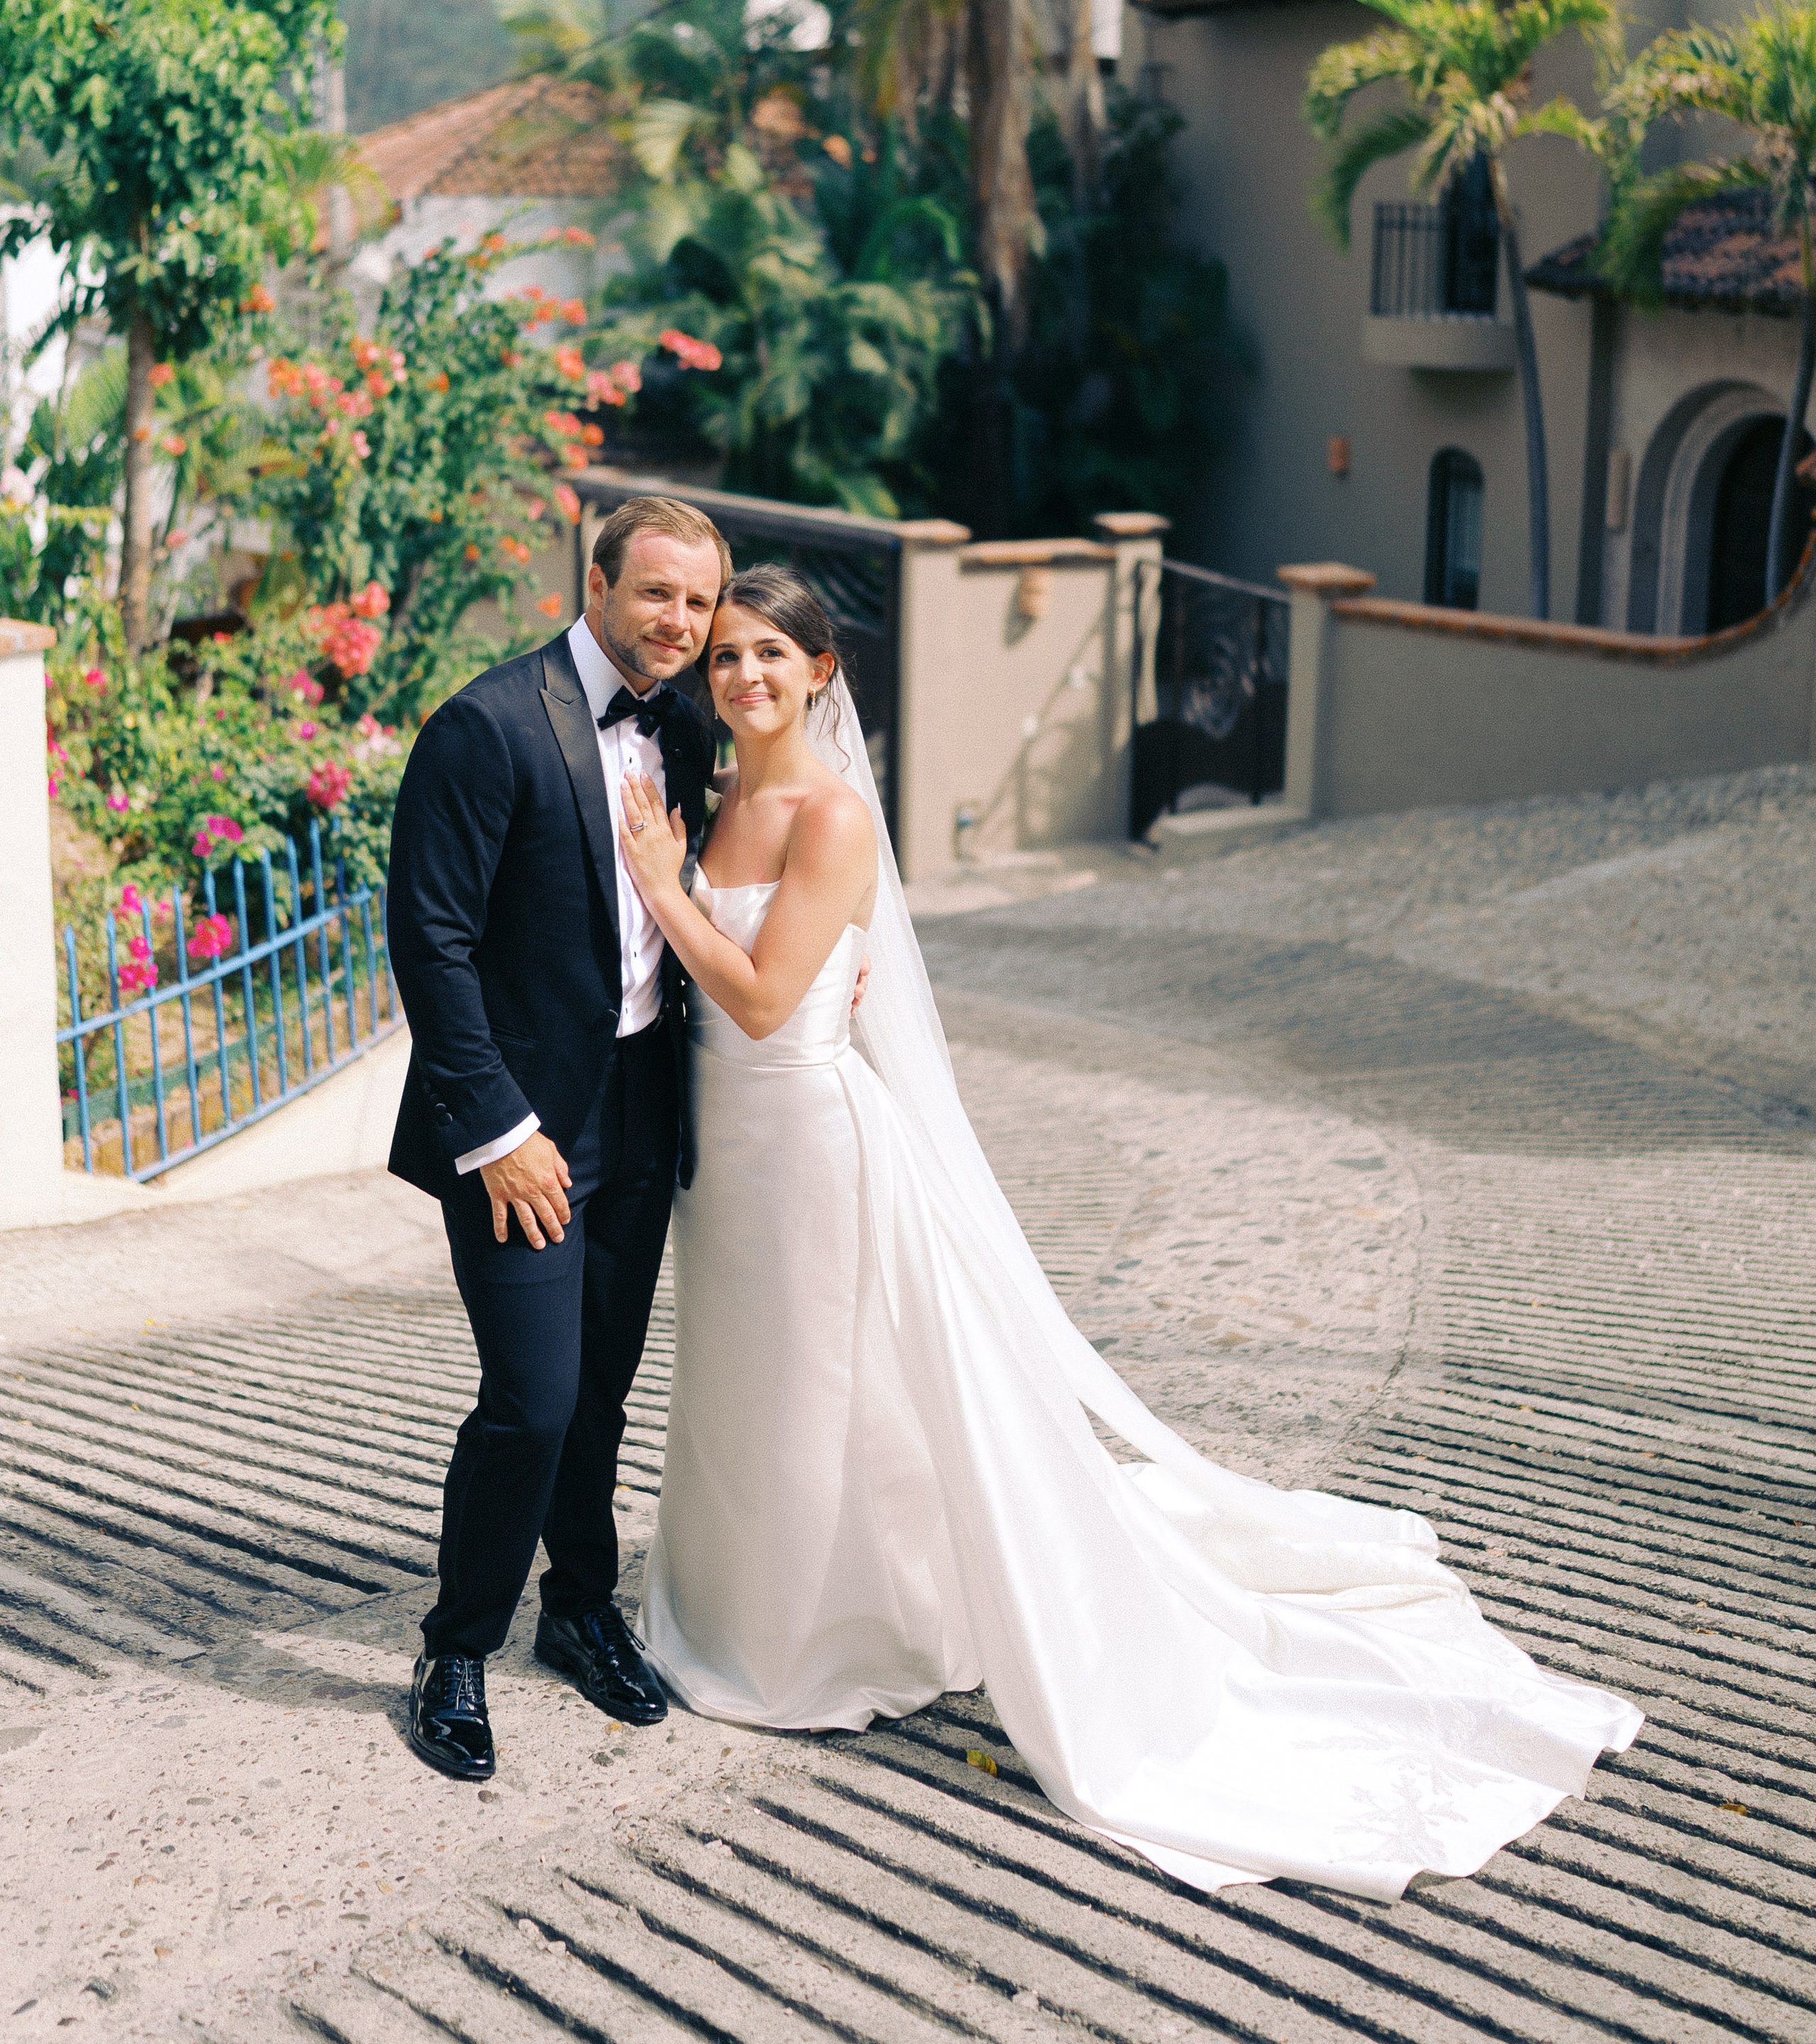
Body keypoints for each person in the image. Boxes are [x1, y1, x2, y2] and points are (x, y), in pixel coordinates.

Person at [616, 564, 1644, 1900]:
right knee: (754, 1388)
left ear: (823, 671)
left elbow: (758, 1000)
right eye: (728, 657)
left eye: (770, 655)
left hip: (807, 1141)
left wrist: (662, 886)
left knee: (819, 1384)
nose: (743, 676)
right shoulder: (726, 787)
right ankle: (757, 1612)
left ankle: (825, 1642)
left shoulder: (830, 814)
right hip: (728, 1155)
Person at [384, 496, 727, 1782]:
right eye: (657, 595)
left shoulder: (687, 720)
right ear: (595, 583)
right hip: (521, 1129)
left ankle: (579, 1609)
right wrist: (500, 1131)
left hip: (642, 1103)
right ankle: (456, 1645)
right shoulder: (485, 726)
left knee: (602, 1391)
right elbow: (433, 942)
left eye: (698, 603)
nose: (680, 624)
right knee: (531, 1399)